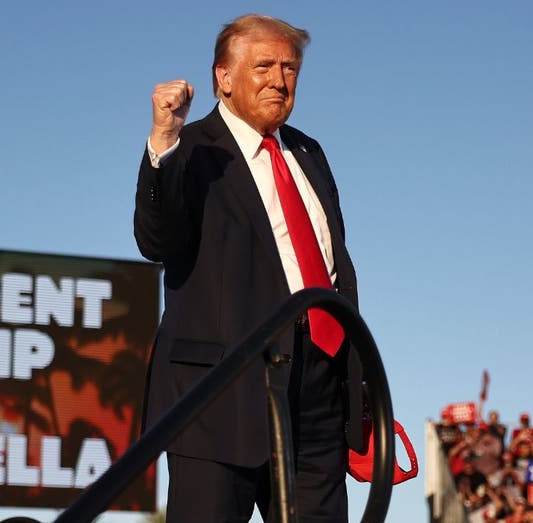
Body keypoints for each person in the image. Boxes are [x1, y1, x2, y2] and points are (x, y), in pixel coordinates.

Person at [134, 14, 362, 522]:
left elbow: (332, 265)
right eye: (263, 66)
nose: (279, 80)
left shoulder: (309, 153)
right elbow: (156, 241)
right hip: (218, 396)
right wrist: (162, 140)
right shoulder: (190, 148)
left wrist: (353, 378)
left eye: (290, 67)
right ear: (224, 77)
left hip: (317, 397)